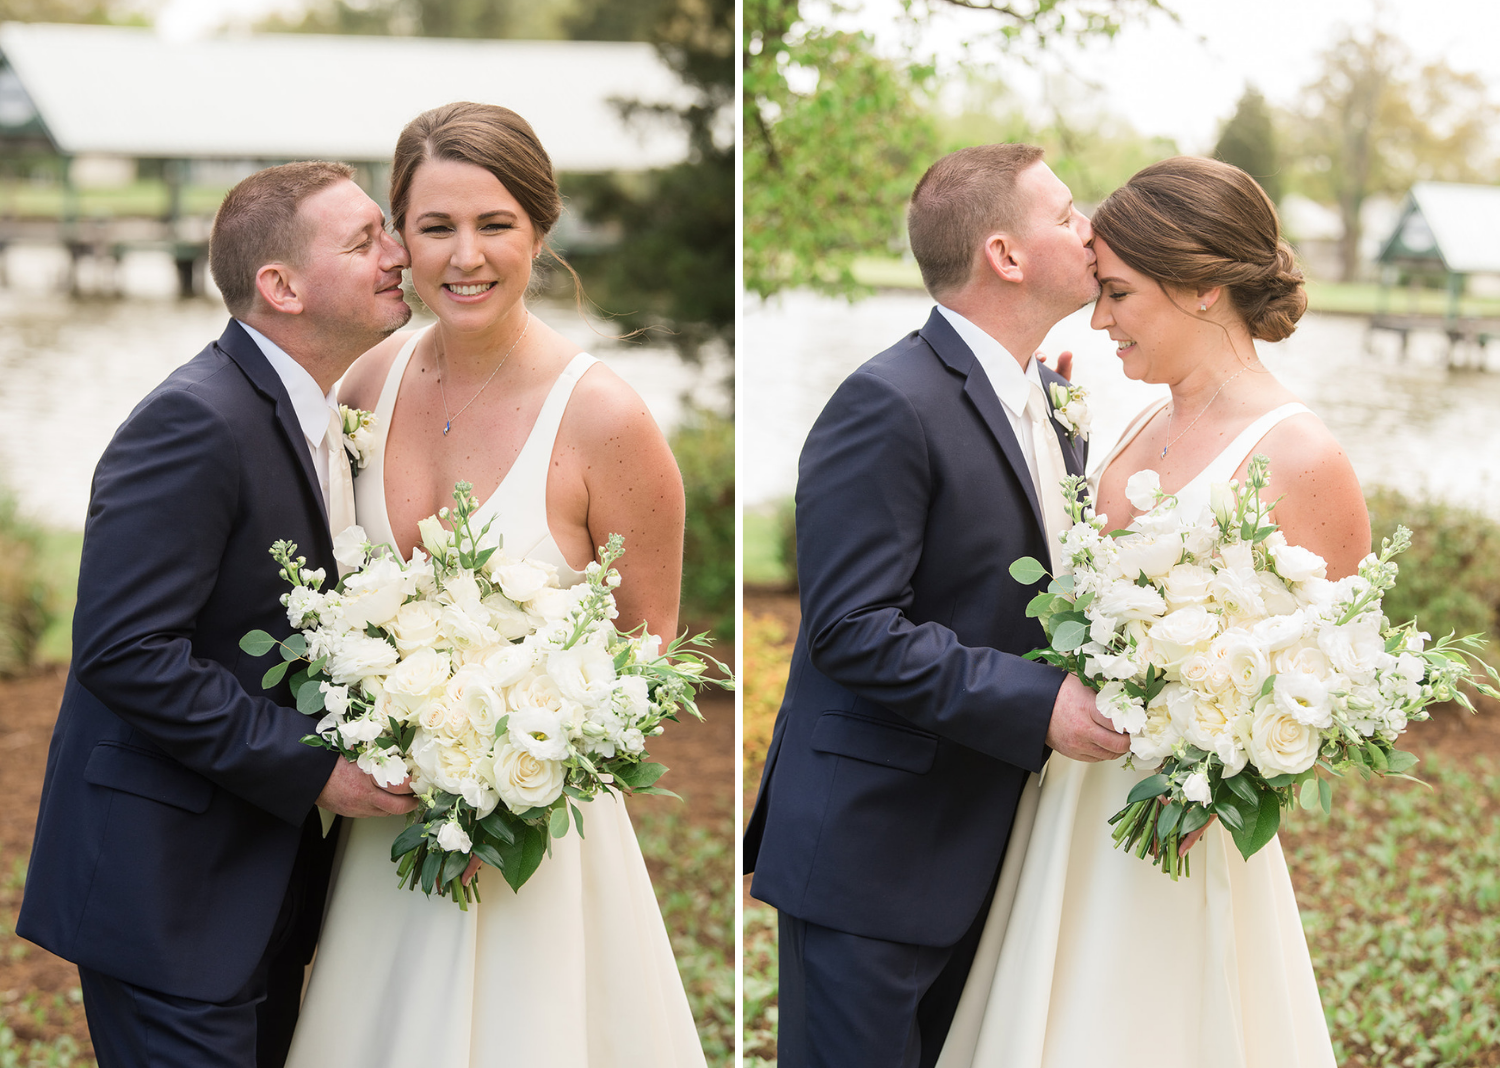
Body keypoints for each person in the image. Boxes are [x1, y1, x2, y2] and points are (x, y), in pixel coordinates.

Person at [283, 102, 704, 1068]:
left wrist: (504, 788)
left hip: (535, 843)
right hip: (387, 834)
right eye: (435, 227)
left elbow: (649, 655)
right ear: (400, 236)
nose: (463, 256)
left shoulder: (604, 418)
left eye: (494, 225)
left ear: (541, 230)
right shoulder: (362, 389)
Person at [937, 156, 1365, 1068]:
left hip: (1177, 828)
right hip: (1066, 801)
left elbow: (1338, 677)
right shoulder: (1134, 424)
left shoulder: (1299, 455)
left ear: (1205, 288)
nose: (1098, 321)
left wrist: (1218, 765)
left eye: (1119, 295)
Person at [17, 161, 421, 1068]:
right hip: (167, 890)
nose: (399, 254)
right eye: (365, 241)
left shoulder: (315, 414)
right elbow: (125, 653)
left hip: (256, 883)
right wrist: (318, 769)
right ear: (279, 286)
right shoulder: (194, 421)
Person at [742, 143, 1132, 1068]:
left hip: (998, 845)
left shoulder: (1051, 394)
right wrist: (1044, 706)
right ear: (1005, 254)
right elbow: (851, 629)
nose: (1092, 229)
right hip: (875, 852)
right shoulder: (887, 402)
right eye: (1069, 213)